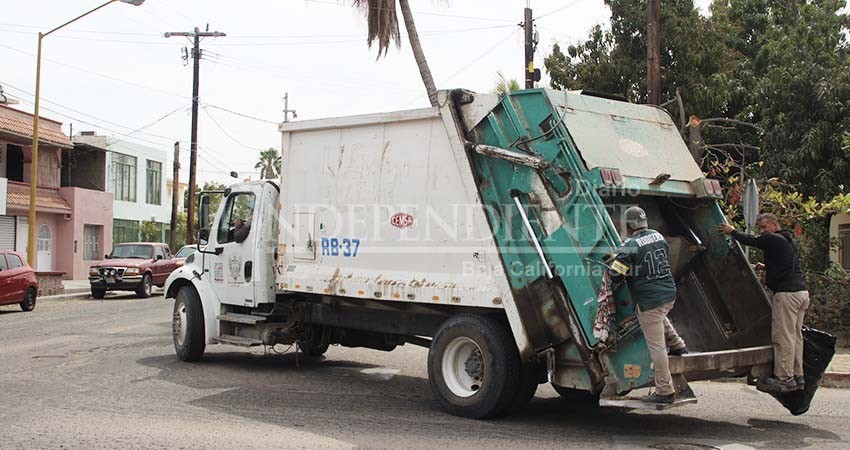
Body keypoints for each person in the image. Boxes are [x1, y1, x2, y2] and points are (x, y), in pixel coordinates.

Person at [718, 213, 809, 393]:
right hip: (801, 293)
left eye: (764, 227)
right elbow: (787, 264)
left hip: (787, 294)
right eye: (761, 228)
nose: (763, 231)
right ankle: (798, 376)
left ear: (775, 225)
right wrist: (765, 267)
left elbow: (752, 240)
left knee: (784, 337)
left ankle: (784, 378)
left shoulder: (773, 239)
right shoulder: (787, 240)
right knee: (796, 337)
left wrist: (732, 231)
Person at [610, 206, 688, 404]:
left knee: (657, 347)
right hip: (669, 293)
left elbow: (616, 274)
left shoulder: (629, 244)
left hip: (649, 298)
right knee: (658, 315)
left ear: (629, 225)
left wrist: (615, 265)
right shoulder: (658, 236)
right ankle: (678, 344)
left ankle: (664, 390)